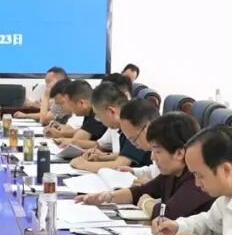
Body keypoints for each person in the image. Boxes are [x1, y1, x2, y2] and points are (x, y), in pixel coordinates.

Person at [77, 113, 213, 220]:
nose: (152, 157)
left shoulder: (197, 179)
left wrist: (145, 202)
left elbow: (167, 214)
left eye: (157, 151)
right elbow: (139, 192)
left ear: (179, 153)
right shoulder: (172, 173)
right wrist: (107, 197)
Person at [71, 84, 149, 173]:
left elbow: (120, 164)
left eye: (98, 115)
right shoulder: (124, 125)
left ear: (111, 111)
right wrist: (102, 157)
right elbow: (127, 156)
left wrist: (83, 164)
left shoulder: (133, 121)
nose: (99, 120)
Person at [55, 80, 108, 149]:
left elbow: (77, 140)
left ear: (81, 103)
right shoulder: (88, 113)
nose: (71, 109)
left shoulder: (97, 113)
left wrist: (63, 137)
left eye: (71, 105)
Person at [118, 99, 160, 183]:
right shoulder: (156, 144)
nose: (134, 144)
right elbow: (154, 170)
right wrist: (134, 171)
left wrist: (149, 185)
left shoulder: (170, 148)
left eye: (134, 139)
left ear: (147, 128)